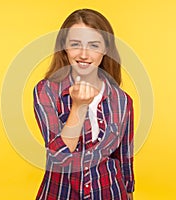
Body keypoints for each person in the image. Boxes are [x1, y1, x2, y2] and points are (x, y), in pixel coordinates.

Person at [33, 8, 134, 200]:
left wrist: (129, 192)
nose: (84, 54)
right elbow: (59, 157)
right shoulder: (46, 91)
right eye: (76, 44)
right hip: (60, 193)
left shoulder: (122, 100)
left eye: (94, 45)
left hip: (110, 192)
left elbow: (124, 158)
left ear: (106, 49)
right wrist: (78, 107)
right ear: (64, 46)